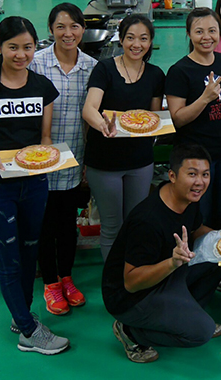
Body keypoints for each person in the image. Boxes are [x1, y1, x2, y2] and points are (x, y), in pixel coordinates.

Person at [0, 16, 68, 354]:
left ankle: (19, 314)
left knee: (28, 253)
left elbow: (46, 137)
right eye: (13, 47)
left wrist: (51, 154)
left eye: (28, 47)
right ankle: (28, 330)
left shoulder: (41, 87)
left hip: (34, 185)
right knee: (8, 259)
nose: (21, 54)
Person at [102, 144, 221, 363]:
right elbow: (131, 282)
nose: (200, 182)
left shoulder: (189, 198)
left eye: (205, 174)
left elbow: (197, 231)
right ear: (172, 175)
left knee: (220, 252)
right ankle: (130, 331)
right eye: (192, 174)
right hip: (130, 296)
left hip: (169, 270)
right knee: (201, 332)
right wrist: (172, 263)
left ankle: (188, 312)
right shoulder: (148, 220)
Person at [28, 3, 96, 316]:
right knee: (43, 221)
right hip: (39, 158)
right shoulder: (36, 63)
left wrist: (85, 160)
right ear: (51, 30)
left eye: (74, 26)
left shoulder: (92, 67)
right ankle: (51, 283)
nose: (68, 33)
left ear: (83, 29)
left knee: (67, 222)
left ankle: (67, 277)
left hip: (73, 156)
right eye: (60, 27)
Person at [82, 14, 165, 260]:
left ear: (150, 42)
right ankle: (113, 282)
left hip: (140, 160)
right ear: (121, 39)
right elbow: (89, 109)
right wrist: (103, 125)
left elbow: (154, 116)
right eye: (130, 38)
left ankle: (132, 275)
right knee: (111, 226)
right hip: (104, 160)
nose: (136, 44)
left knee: (134, 222)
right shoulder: (105, 68)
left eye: (143, 38)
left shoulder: (155, 74)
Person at [166, 8, 221, 234]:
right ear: (189, 34)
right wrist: (205, 98)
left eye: (212, 31)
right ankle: (198, 265)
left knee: (219, 212)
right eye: (199, 31)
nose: (206, 37)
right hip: (197, 158)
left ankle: (217, 267)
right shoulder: (179, 71)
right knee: (199, 215)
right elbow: (178, 119)